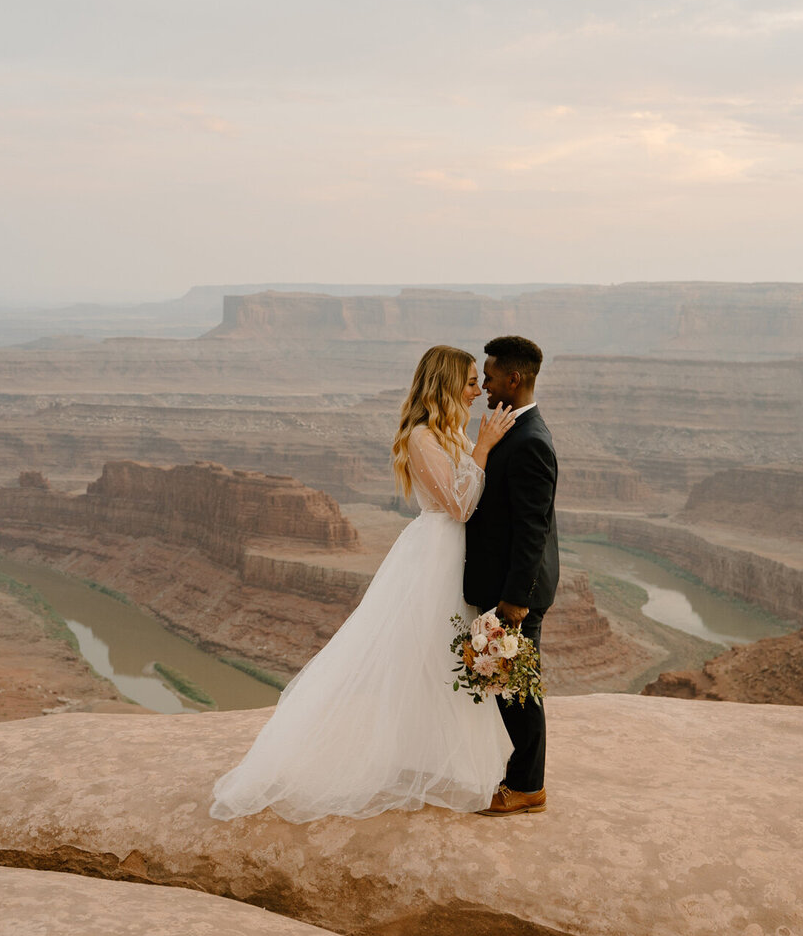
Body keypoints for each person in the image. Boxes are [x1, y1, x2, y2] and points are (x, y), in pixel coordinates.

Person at [209, 345, 518, 822]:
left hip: (457, 556)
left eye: (480, 381)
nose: (479, 391)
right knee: (430, 656)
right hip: (436, 556)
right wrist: (483, 447)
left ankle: (437, 764)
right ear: (446, 385)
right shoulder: (421, 437)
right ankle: (406, 764)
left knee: (447, 660)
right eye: (472, 382)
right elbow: (457, 507)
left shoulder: (449, 432)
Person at [465, 335, 558, 817]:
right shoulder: (515, 431)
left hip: (514, 592)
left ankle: (527, 787)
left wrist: (516, 598)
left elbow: (532, 528)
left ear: (513, 379)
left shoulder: (530, 441)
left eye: (489, 375)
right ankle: (523, 779)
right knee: (505, 682)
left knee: (516, 686)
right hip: (504, 586)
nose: (483, 385)